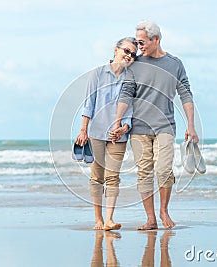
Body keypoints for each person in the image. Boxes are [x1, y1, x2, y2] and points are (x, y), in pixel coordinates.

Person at [110, 20, 199, 230]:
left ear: (155, 39)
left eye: (142, 42)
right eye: (137, 42)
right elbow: (126, 93)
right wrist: (117, 121)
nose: (138, 47)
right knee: (144, 173)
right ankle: (150, 219)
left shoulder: (174, 64)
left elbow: (185, 94)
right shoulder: (136, 65)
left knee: (164, 170)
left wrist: (191, 126)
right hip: (139, 128)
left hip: (165, 126)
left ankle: (164, 211)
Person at [74, 37, 137, 230]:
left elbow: (131, 107)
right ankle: (98, 220)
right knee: (96, 177)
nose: (129, 56)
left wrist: (124, 128)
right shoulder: (98, 73)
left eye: (133, 54)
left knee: (113, 177)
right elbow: (89, 103)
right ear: (116, 50)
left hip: (119, 135)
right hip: (96, 132)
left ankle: (109, 219)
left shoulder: (131, 78)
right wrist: (83, 129)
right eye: (126, 51)